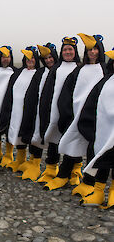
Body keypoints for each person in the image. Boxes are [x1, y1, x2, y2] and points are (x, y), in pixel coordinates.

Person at [44, 34, 107, 191]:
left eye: (95, 49)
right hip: (77, 116)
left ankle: (89, 182)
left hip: (99, 117)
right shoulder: (79, 70)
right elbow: (65, 94)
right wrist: (66, 113)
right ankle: (63, 175)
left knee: (96, 150)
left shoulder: (105, 71)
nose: (92, 52)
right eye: (89, 49)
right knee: (73, 144)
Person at [37, 37, 80, 187]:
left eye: (70, 49)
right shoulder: (56, 68)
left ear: (75, 52)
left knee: (73, 141)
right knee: (53, 139)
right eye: (65, 50)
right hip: (55, 111)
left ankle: (74, 171)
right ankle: (50, 169)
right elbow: (48, 92)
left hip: (73, 112)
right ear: (61, 52)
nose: (67, 52)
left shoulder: (79, 68)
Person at [77, 49, 114, 208]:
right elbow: (91, 103)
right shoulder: (106, 81)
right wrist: (87, 125)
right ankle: (98, 190)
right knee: (102, 157)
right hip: (104, 130)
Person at [18, 43, 59, 181]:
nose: (48, 61)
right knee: (36, 134)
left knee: (53, 139)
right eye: (46, 58)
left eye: (50, 57)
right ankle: (34, 163)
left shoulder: (60, 71)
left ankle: (52, 168)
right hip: (38, 110)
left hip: (54, 111)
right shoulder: (40, 73)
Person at [0, 46, 40, 174]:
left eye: (32, 57)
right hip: (17, 110)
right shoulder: (18, 73)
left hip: (33, 112)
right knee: (18, 133)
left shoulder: (40, 73)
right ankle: (20, 159)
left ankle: (34, 163)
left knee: (33, 135)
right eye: (27, 58)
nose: (30, 60)